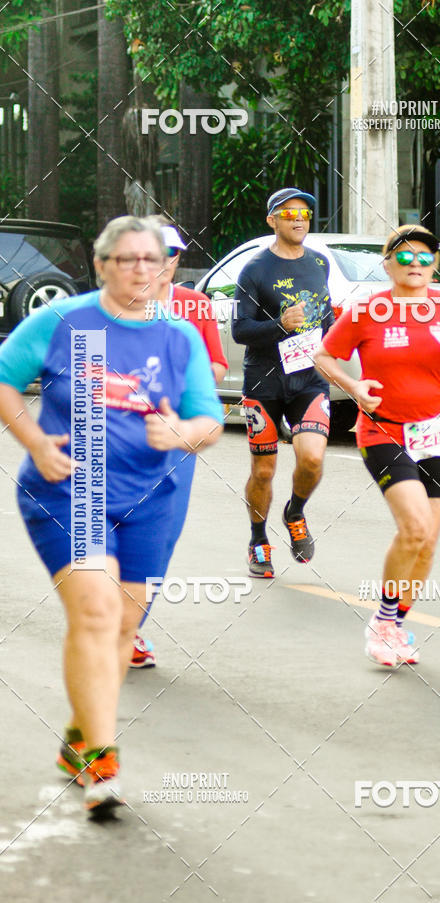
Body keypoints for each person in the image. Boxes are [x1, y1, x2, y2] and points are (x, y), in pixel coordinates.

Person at [0, 215, 223, 814]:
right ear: (100, 265)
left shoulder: (179, 337)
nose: (141, 271)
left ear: (166, 265)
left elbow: (210, 421)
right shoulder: (62, 321)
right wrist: (36, 443)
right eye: (126, 260)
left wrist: (181, 430)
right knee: (97, 612)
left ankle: (78, 738)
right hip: (72, 488)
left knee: (124, 627)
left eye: (152, 260)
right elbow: (1, 378)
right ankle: (102, 759)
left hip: (154, 497)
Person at [314, 224, 440, 667]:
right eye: (405, 257)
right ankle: (384, 622)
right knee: (413, 528)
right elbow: (323, 355)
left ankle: (394, 623)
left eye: (424, 257)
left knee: (427, 542)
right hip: (384, 430)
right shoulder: (367, 310)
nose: (415, 265)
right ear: (388, 264)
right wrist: (354, 386)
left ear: (435, 265)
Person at [131, 221, 228, 669]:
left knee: (160, 537)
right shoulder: (111, 305)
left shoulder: (196, 306)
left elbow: (217, 367)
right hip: (115, 439)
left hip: (177, 439)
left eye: (171, 254)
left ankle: (129, 629)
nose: (162, 262)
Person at [232, 187, 334, 578]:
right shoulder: (255, 270)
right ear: (272, 219)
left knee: (311, 458)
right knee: (263, 471)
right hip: (264, 383)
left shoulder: (319, 264)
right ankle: (258, 540)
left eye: (305, 211)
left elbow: (325, 319)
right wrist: (279, 325)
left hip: (308, 380)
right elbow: (240, 330)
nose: (299, 218)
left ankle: (295, 512)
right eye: (289, 211)